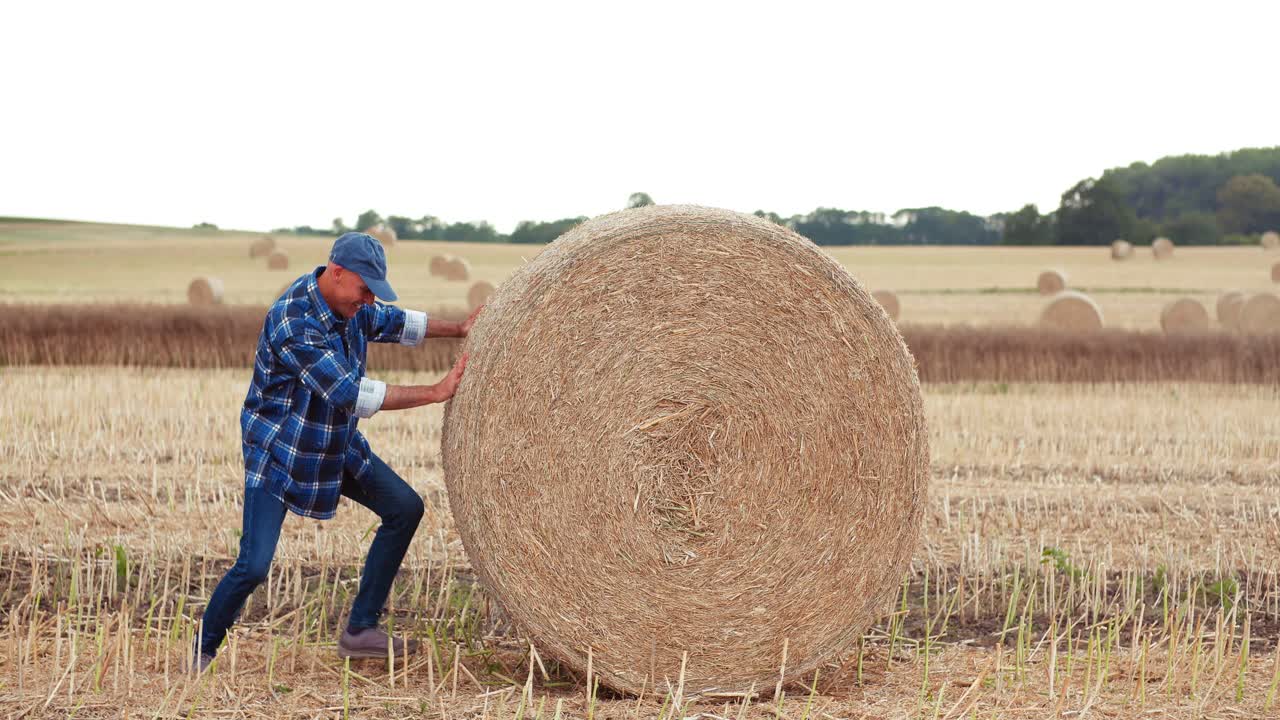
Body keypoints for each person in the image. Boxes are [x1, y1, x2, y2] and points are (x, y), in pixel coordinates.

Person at [193, 231, 479, 672]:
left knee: (405, 507)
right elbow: (348, 392)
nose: (368, 301)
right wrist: (436, 391)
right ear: (338, 273)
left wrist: (458, 328)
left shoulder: (352, 306)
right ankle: (203, 649)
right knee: (253, 565)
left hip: (335, 444)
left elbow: (396, 322)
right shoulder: (294, 321)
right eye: (365, 290)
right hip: (282, 453)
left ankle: (360, 630)